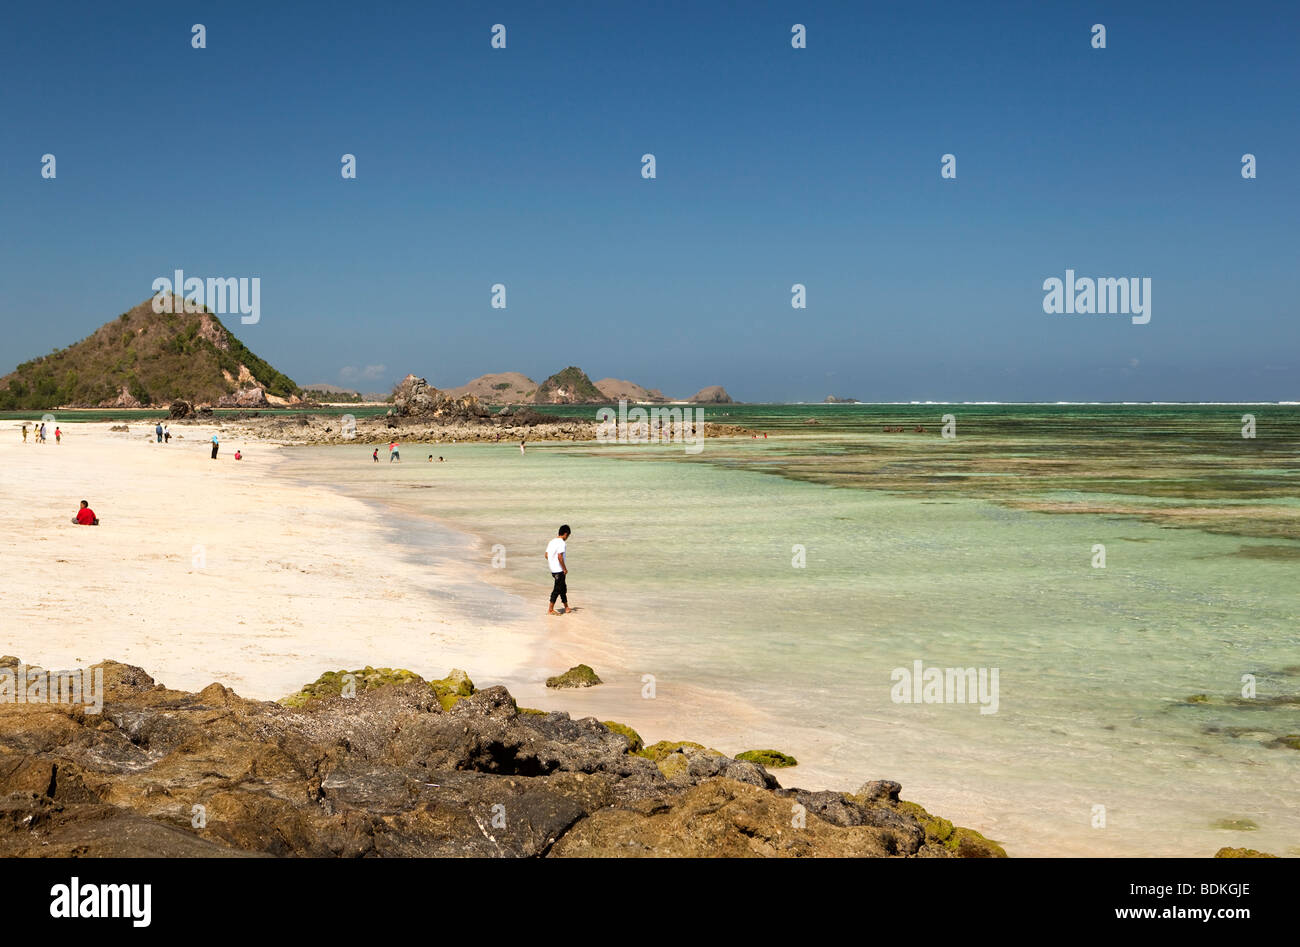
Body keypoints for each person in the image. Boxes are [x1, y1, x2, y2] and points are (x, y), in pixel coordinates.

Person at [545, 525, 572, 615]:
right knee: (557, 589)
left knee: (563, 588)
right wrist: (564, 569)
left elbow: (546, 555)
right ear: (565, 534)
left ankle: (566, 607)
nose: (567, 538)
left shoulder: (552, 542)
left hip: (553, 569)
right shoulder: (561, 543)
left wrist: (552, 563)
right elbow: (560, 557)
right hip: (559, 570)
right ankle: (550, 609)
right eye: (567, 536)